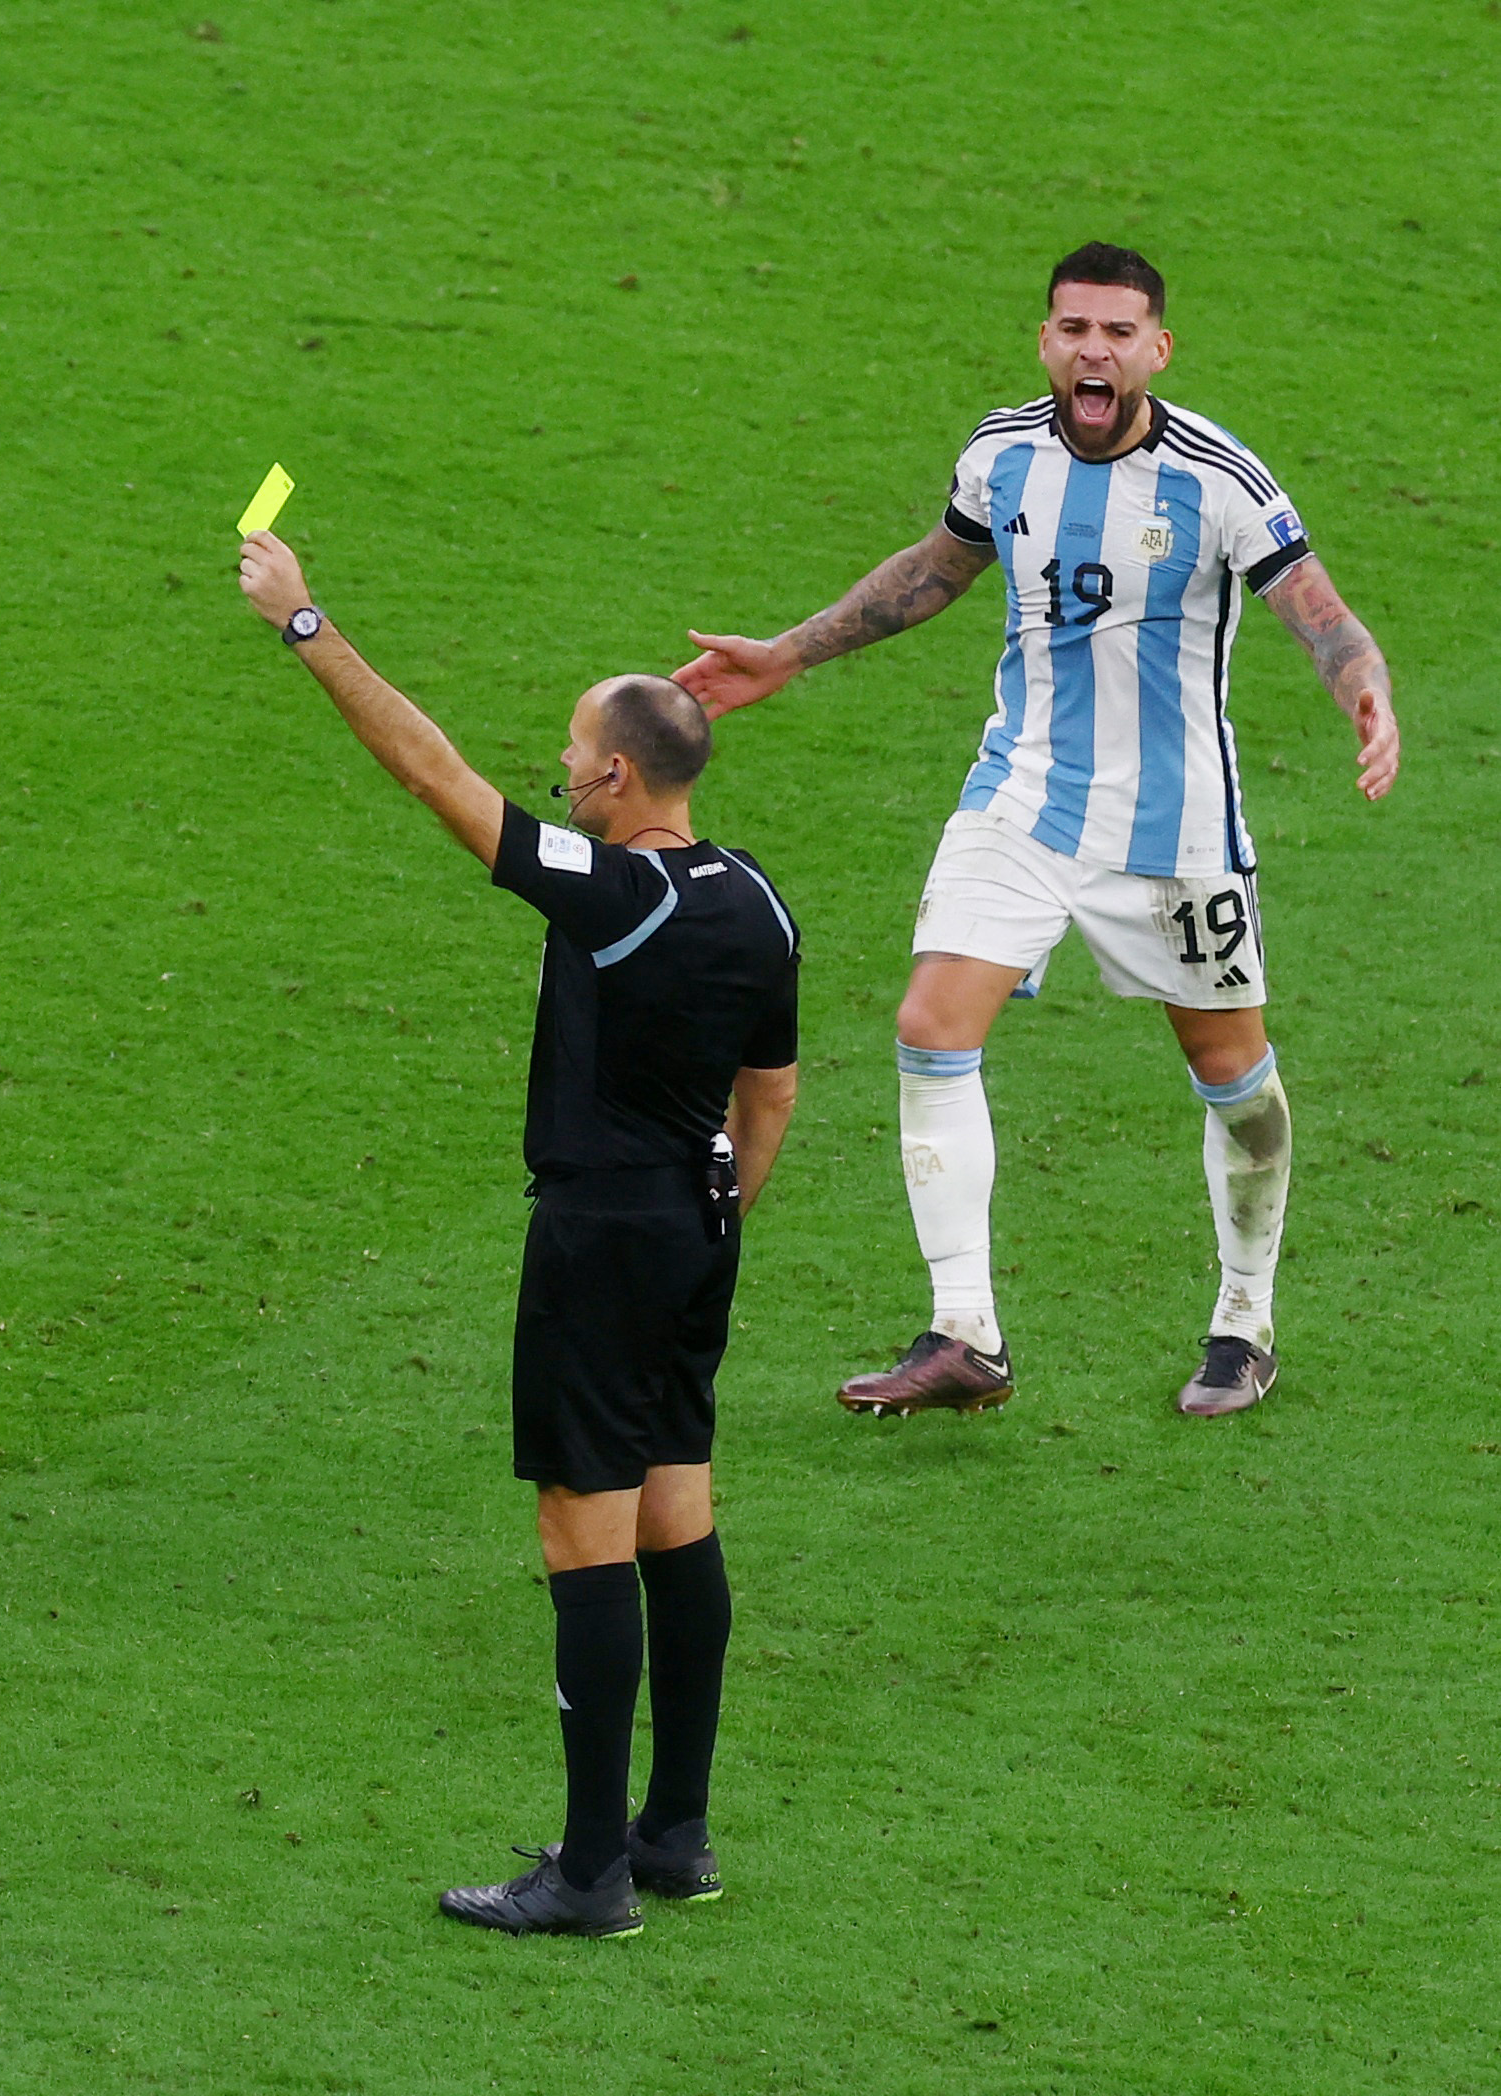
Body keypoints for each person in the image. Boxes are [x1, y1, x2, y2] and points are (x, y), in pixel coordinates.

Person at [677, 241, 1401, 1419]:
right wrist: (788, 652)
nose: (1093, 350)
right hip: (1021, 794)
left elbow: (1318, 613)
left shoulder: (1217, 478)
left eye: (1118, 332)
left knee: (1233, 1080)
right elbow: (936, 568)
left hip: (1175, 831)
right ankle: (964, 1328)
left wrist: (1360, 687)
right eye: (1073, 328)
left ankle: (1244, 1314)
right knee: (928, 1021)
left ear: (1156, 349)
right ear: (1046, 341)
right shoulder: (1001, 452)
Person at [238, 530, 802, 1938]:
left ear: (619, 776)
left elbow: (436, 775)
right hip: (694, 1224)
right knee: (679, 1507)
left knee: (584, 1534)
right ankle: (677, 1834)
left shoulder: (614, 897)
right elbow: (773, 1085)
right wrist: (726, 1207)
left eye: (572, 753)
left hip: (602, 1236)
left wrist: (309, 624)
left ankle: (590, 1870)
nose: (560, 770)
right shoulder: (759, 902)